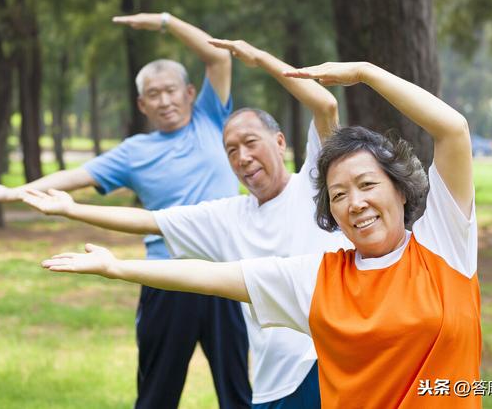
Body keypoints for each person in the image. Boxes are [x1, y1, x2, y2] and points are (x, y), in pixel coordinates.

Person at [40, 61, 480, 408]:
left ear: (400, 189)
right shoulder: (319, 279)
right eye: (339, 194)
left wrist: (364, 73)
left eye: (367, 185)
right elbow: (213, 277)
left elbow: (453, 129)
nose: (356, 203)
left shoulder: (443, 243)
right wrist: (115, 268)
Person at [22, 39, 352, 408]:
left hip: (326, 365)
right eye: (231, 150)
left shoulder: (314, 181)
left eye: (251, 142)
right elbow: (150, 221)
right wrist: (72, 210)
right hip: (272, 383)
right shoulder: (228, 217)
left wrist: (259, 58)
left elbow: (324, 104)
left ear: (279, 141)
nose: (243, 157)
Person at [0, 13, 252, 409]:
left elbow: (219, 58)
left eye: (170, 91)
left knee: (238, 394)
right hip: (166, 279)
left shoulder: (211, 118)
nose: (164, 101)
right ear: (141, 103)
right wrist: (13, 192)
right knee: (156, 395)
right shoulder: (135, 152)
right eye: (153, 94)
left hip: (225, 276)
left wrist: (166, 23)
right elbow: (75, 176)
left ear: (189, 92)